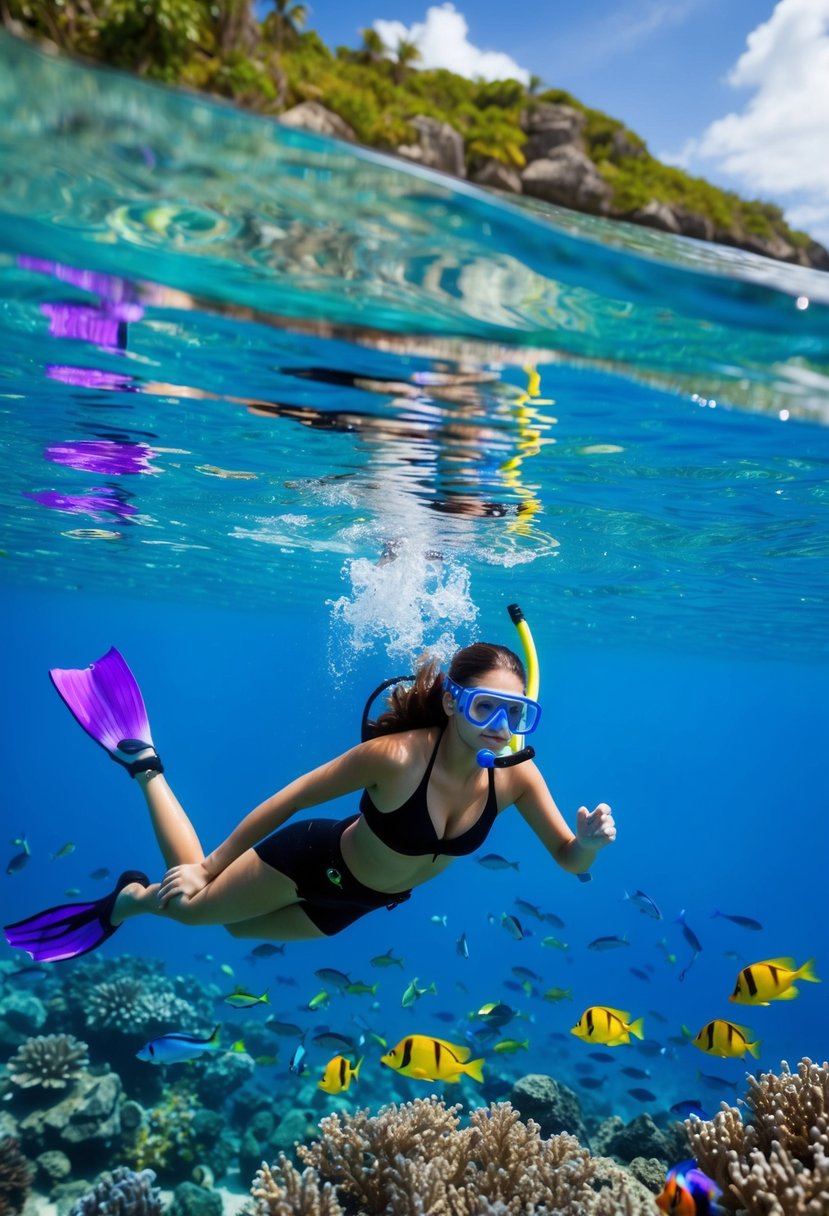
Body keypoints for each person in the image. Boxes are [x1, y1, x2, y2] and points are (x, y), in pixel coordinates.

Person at [4, 641, 615, 961]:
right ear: (453, 701)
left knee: (239, 934)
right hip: (314, 861)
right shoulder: (396, 757)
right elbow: (292, 798)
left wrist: (585, 845)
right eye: (486, 707)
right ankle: (143, 783)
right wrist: (211, 865)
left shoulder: (518, 778)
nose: (499, 726)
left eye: (516, 714)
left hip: (364, 903)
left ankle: (175, 882)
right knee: (192, 907)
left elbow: (569, 859)